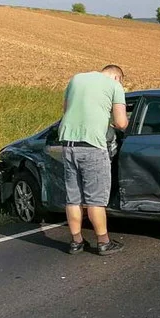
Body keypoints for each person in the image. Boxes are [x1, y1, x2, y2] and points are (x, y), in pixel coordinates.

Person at [58, 65, 129, 255]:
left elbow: (66, 110)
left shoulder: (75, 79)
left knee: (73, 199)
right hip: (93, 147)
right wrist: (117, 124)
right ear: (117, 78)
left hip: (68, 145)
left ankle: (76, 242)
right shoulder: (115, 87)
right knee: (95, 200)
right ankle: (104, 242)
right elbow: (121, 123)